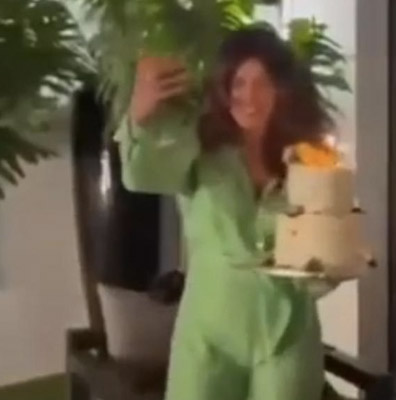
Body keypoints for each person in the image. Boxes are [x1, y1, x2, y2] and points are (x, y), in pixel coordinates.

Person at [115, 27, 336, 400]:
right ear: (223, 87)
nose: (250, 97)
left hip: (287, 332)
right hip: (209, 333)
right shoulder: (199, 146)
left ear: (284, 90)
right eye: (239, 83)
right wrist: (139, 115)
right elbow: (141, 176)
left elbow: (319, 265)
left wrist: (332, 264)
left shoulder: (311, 160)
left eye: (264, 83)